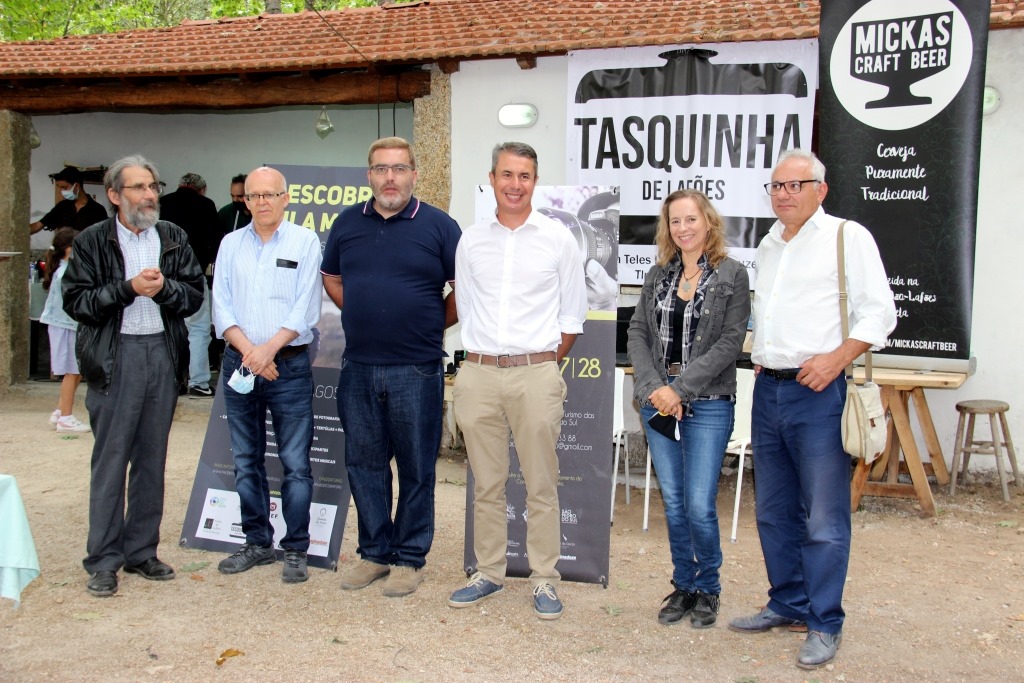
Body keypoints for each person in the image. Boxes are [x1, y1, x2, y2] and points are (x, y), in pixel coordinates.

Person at [728, 149, 896, 669]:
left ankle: (824, 621)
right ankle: (788, 603)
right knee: (775, 512)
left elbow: (880, 313)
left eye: (795, 185)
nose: (783, 194)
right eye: (776, 186)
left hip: (819, 393)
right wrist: (762, 354)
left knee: (823, 517)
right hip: (770, 391)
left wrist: (836, 359)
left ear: (821, 190)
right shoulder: (770, 244)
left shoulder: (848, 237)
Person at [448, 142, 587, 620]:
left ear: (535, 181)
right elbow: (464, 306)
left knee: (540, 483)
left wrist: (542, 364)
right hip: (479, 373)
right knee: (486, 483)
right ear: (491, 178)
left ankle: (545, 579)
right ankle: (488, 572)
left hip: (535, 374)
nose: (514, 184)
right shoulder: (471, 240)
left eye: (524, 176)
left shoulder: (558, 238)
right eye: (507, 174)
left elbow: (572, 316)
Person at [321, 137, 461, 597]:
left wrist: (426, 325)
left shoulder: (440, 226)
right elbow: (332, 278)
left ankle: (410, 557)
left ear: (414, 174)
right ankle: (374, 553)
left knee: (418, 466)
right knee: (365, 464)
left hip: (417, 368)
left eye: (399, 168)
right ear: (369, 175)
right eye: (381, 168)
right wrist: (362, 312)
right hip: (358, 366)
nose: (390, 178)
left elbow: (464, 290)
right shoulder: (346, 224)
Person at [62, 155, 204, 598]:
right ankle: (104, 561)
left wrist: (164, 289)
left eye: (152, 186)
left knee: (150, 459)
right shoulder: (91, 240)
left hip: (161, 355)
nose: (149, 195)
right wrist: (127, 290)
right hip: (115, 358)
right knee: (111, 461)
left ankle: (142, 551)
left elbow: (195, 296)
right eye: (139, 187)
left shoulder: (174, 236)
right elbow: (77, 302)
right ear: (114, 195)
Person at [627, 189, 750, 629]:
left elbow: (730, 343)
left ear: (708, 222)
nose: (683, 228)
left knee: (699, 503)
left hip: (709, 403)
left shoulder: (733, 275)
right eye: (675, 221)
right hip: (657, 402)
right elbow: (638, 333)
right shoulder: (658, 274)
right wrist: (654, 389)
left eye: (691, 219)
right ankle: (684, 585)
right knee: (674, 501)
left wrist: (679, 389)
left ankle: (709, 588)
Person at [212, 166, 321, 584]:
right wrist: (250, 353)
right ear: (245, 200)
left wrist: (267, 351)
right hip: (239, 362)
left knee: (295, 463)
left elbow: (305, 309)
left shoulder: (305, 241)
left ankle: (296, 549)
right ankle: (257, 542)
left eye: (269, 195)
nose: (261, 202)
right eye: (253, 196)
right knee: (245, 461)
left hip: (287, 365)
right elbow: (221, 304)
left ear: (285, 198)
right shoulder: (229, 244)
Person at [159, 172, 221, 397]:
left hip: (163, 278)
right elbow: (216, 242)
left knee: (168, 329)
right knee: (198, 330)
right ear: (202, 189)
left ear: (179, 185)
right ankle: (198, 382)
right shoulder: (206, 205)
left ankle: (172, 381)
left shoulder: (162, 203)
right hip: (193, 276)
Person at [40, 227, 90, 433]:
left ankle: (61, 411)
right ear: (69, 249)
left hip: (68, 326)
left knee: (77, 372)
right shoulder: (65, 274)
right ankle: (66, 418)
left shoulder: (67, 268)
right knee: (72, 372)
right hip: (65, 326)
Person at [29, 166, 108, 234]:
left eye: (64, 187)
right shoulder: (62, 207)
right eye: (60, 188)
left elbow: (102, 238)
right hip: (61, 251)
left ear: (76, 186)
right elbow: (38, 225)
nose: (62, 191)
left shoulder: (97, 210)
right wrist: (18, 232)